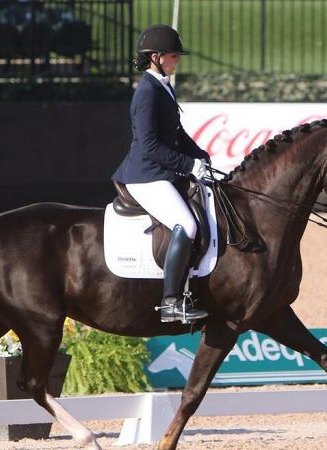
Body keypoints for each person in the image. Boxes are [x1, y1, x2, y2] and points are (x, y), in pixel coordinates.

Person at [112, 24, 210, 323]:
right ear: (156, 57)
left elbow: (176, 134)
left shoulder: (162, 85)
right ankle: (171, 302)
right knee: (187, 224)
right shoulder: (146, 92)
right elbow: (150, 145)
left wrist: (202, 156)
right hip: (147, 175)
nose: (177, 61)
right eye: (172, 56)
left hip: (161, 171)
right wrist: (188, 165)